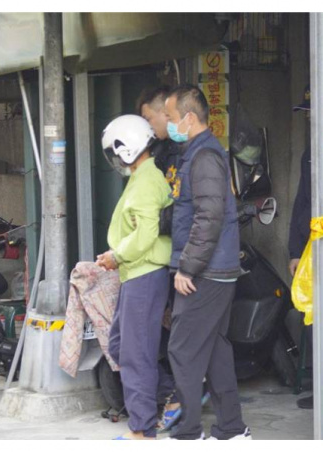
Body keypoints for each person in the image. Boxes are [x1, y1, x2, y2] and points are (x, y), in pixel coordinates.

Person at [163, 84, 250, 440]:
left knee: (182, 348)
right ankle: (231, 429)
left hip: (206, 271)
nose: (168, 125)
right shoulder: (200, 155)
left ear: (188, 118)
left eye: (170, 117)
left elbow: (209, 216)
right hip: (216, 268)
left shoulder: (204, 158)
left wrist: (188, 267)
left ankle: (188, 433)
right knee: (214, 349)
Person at [138, 85, 212, 432]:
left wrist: (188, 266)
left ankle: (187, 412)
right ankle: (223, 422)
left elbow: (203, 214)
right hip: (177, 257)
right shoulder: (168, 152)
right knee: (187, 337)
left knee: (182, 340)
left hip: (189, 261)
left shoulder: (198, 154)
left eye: (157, 117)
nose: (156, 124)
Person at [98, 115, 174, 440]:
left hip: (144, 272)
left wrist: (116, 255)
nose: (115, 161)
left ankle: (141, 430)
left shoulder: (145, 181)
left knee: (136, 354)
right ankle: (173, 392)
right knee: (119, 346)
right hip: (136, 273)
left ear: (127, 150)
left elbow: (145, 235)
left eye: (115, 154)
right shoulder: (141, 176)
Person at [288, 84, 313, 411]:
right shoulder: (312, 152)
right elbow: (302, 202)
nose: (309, 120)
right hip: (312, 249)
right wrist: (295, 250)